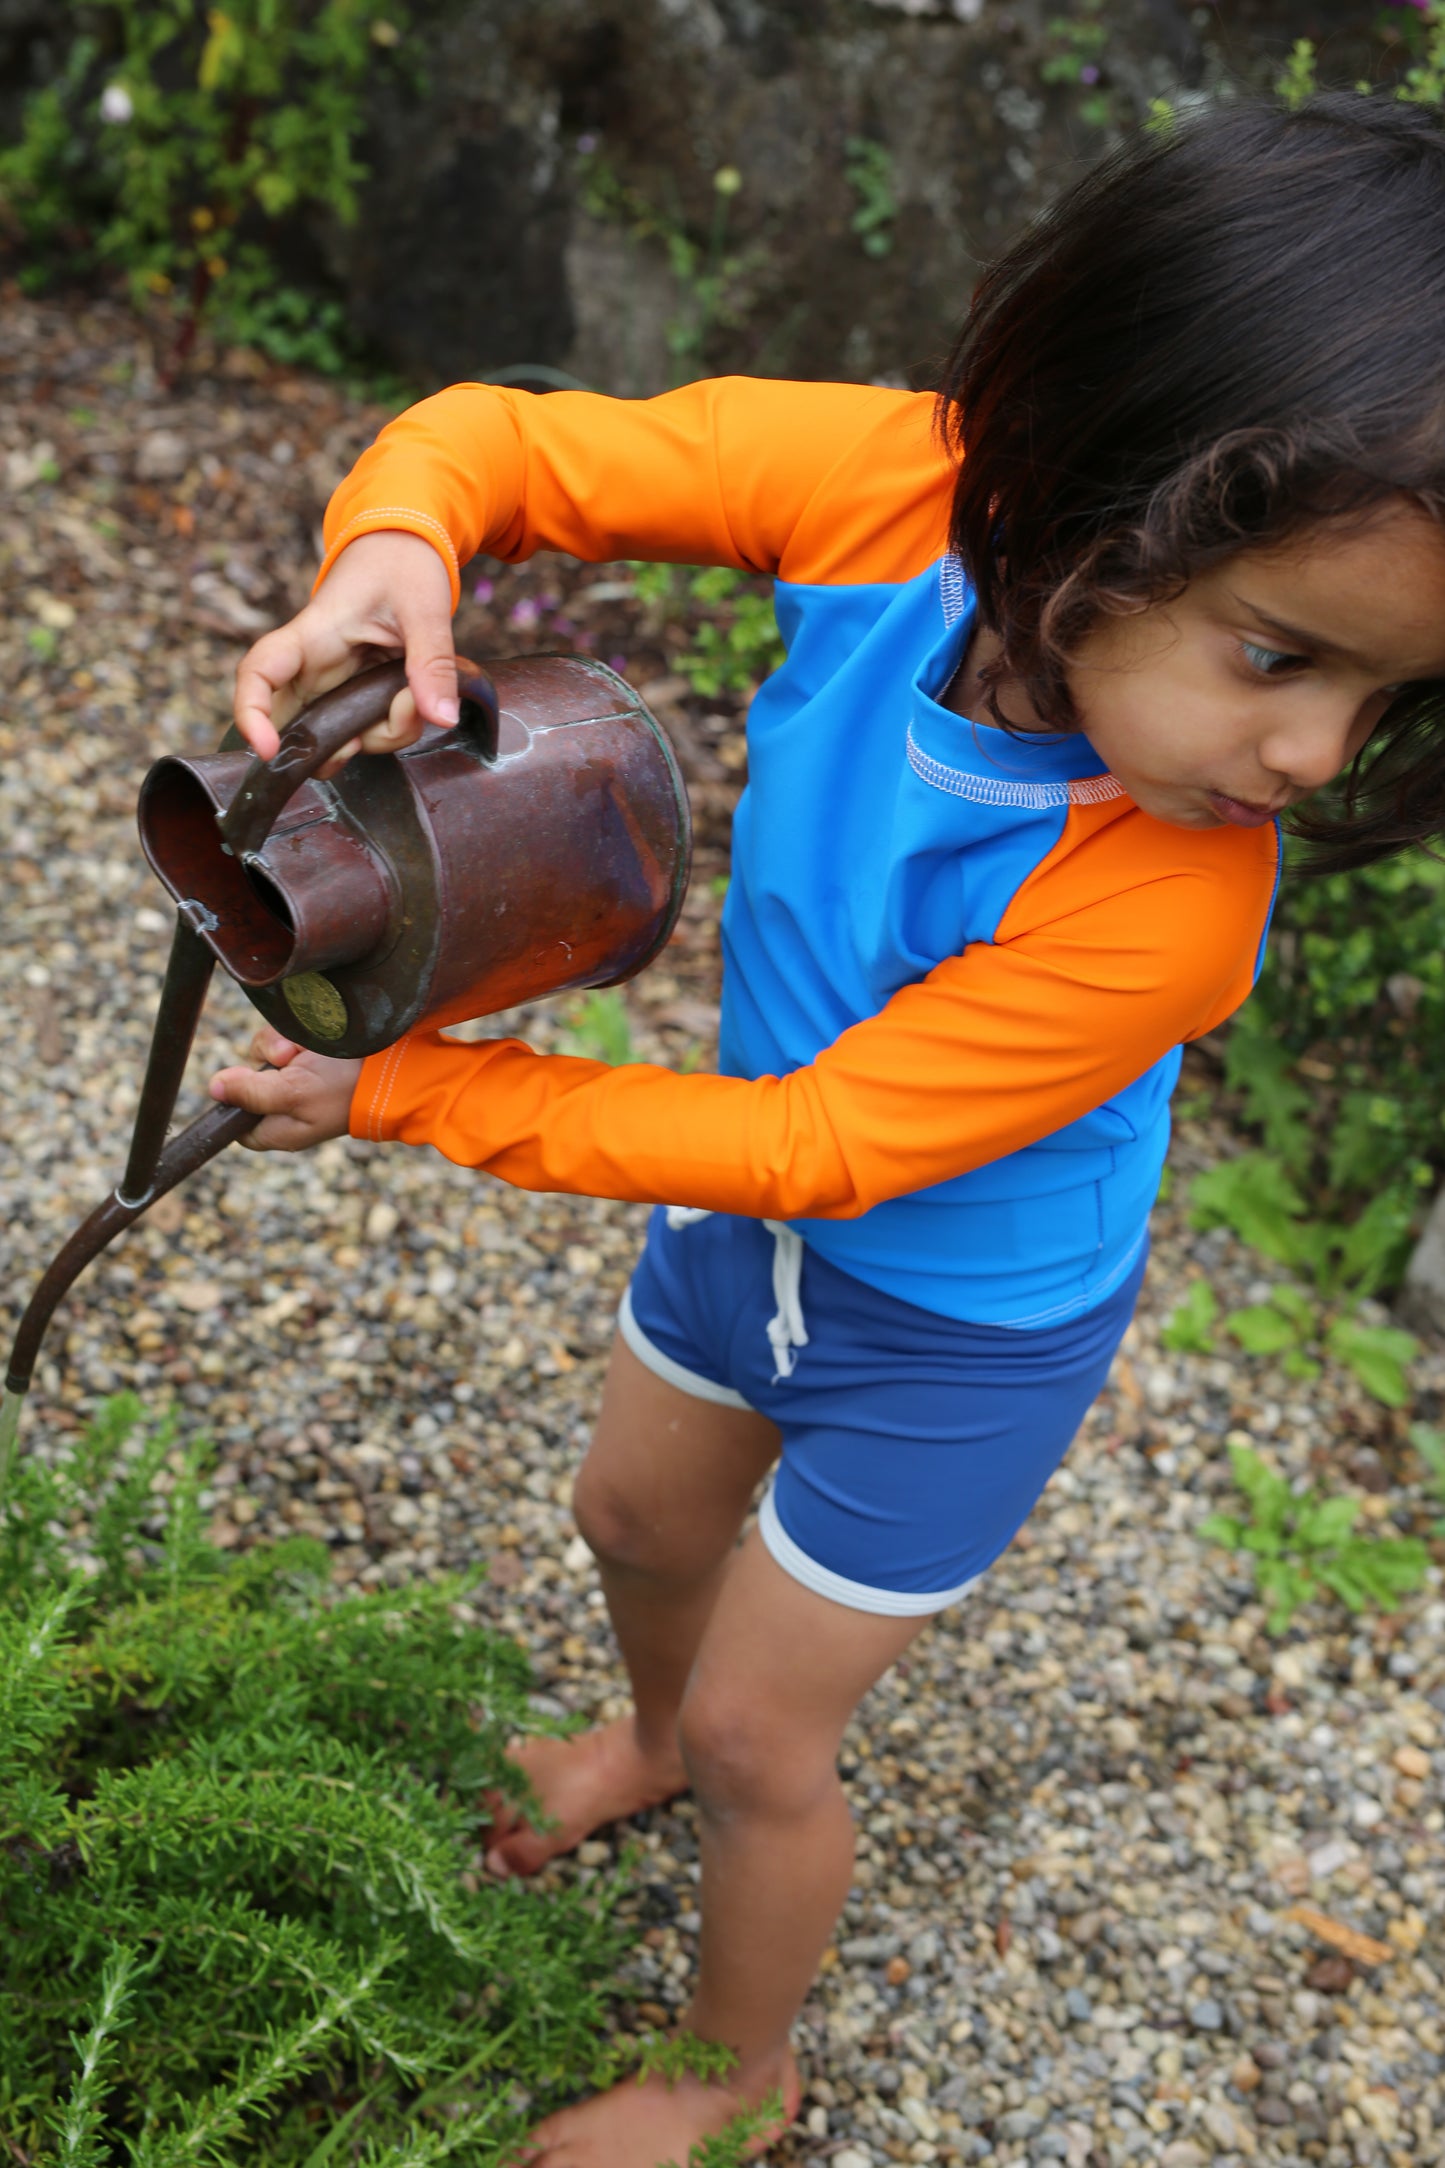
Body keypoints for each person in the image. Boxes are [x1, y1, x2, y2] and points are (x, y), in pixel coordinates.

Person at [212, 93, 1445, 2167]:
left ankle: (731, 2071)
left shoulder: (1172, 894)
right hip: (742, 1208)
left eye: (1388, 699)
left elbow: (821, 1142)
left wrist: (411, 1086)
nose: (1318, 754)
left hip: (953, 1329)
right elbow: (509, 442)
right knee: (632, 1518)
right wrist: (396, 548)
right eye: (1280, 654)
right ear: (1088, 491)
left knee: (785, 1735)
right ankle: (646, 1734)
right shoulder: (895, 487)